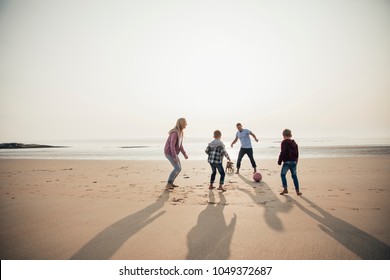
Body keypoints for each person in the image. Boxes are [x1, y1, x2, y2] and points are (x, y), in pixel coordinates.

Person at [164, 118, 188, 190]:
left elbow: (180, 145)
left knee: (179, 168)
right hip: (169, 152)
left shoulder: (180, 132)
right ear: (181, 123)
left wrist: (184, 154)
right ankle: (168, 183)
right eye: (185, 123)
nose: (186, 124)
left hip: (173, 153)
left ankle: (171, 183)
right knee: (177, 168)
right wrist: (174, 157)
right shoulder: (175, 133)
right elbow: (172, 145)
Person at [278, 129, 302, 195]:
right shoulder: (294, 143)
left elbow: (283, 152)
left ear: (283, 135)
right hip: (294, 162)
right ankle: (297, 191)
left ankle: (285, 189)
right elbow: (297, 152)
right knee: (294, 176)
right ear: (290, 135)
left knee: (283, 174)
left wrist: (279, 161)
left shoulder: (284, 142)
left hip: (287, 162)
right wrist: (296, 160)